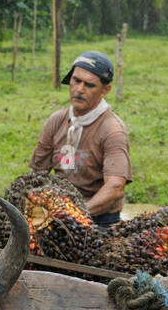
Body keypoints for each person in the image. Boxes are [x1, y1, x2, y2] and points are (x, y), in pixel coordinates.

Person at [29, 51, 132, 227]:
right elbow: (37, 174)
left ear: (105, 90)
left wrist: (75, 214)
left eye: (89, 85)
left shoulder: (112, 130)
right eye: (76, 81)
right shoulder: (57, 121)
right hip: (58, 213)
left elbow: (115, 188)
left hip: (99, 219)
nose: (79, 90)